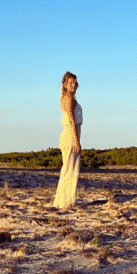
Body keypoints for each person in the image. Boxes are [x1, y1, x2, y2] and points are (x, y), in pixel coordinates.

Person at [53, 71, 82, 209]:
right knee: (70, 169)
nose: (73, 85)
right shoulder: (68, 98)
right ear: (64, 84)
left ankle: (63, 201)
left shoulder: (67, 98)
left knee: (68, 169)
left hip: (70, 134)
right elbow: (71, 120)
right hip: (70, 135)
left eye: (75, 82)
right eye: (70, 82)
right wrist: (76, 141)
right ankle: (66, 202)